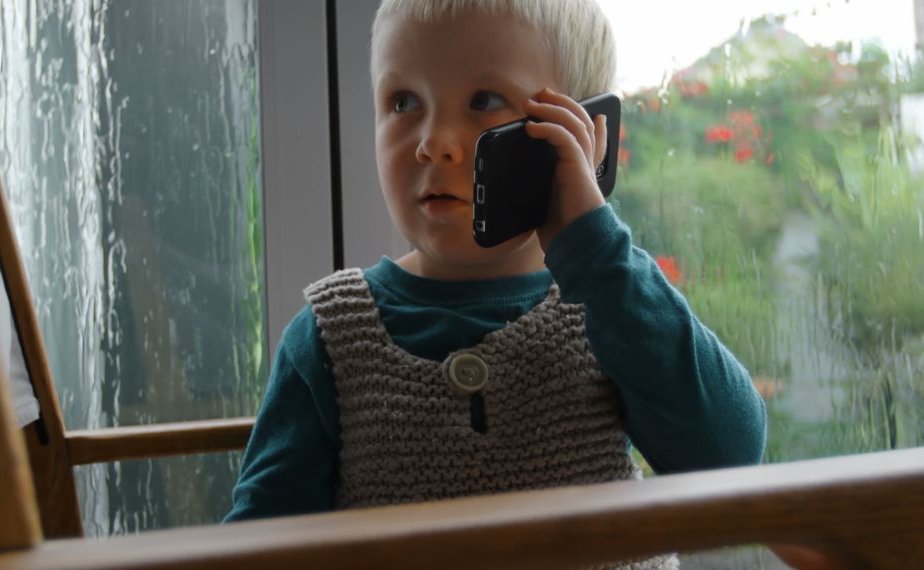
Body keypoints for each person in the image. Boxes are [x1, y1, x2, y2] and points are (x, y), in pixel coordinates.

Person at [227, 0, 766, 567]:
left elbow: (729, 460)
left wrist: (595, 249)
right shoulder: (330, 337)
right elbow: (257, 549)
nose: (433, 142)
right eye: (402, 102)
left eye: (483, 101)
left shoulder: (613, 301)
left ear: (581, 133)